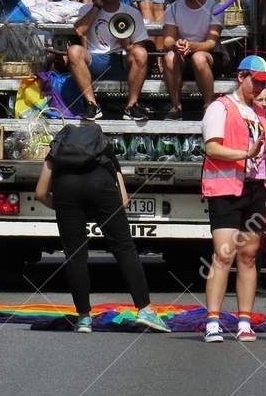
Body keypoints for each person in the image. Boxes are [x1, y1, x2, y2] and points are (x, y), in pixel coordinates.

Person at [34, 124, 170, 334]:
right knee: (124, 248)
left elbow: (40, 193)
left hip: (66, 191)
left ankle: (84, 318)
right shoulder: (104, 150)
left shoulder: (56, 151)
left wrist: (62, 206)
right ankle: (145, 310)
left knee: (75, 255)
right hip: (101, 187)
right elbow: (123, 200)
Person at [201, 55, 266, 343]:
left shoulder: (262, 114)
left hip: (255, 188)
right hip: (225, 187)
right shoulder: (220, 107)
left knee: (248, 255)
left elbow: (265, 154)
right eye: (256, 82)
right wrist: (245, 154)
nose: (260, 88)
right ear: (242, 77)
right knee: (223, 254)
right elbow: (212, 148)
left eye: (264, 84)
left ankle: (245, 321)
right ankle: (213, 321)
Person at [68, 0, 149, 122]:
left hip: (121, 60)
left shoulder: (132, 12)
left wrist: (125, 43)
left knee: (140, 53)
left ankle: (132, 106)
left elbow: (141, 47)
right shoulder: (87, 9)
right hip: (96, 60)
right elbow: (79, 31)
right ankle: (92, 105)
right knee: (73, 51)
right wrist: (97, 6)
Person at [161, 0, 224, 115]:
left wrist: (190, 45)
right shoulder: (173, 8)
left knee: (199, 58)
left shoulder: (214, 7)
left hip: (209, 57)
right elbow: (168, 40)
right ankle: (176, 106)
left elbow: (211, 43)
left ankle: (208, 106)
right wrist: (177, 44)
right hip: (183, 57)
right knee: (169, 57)